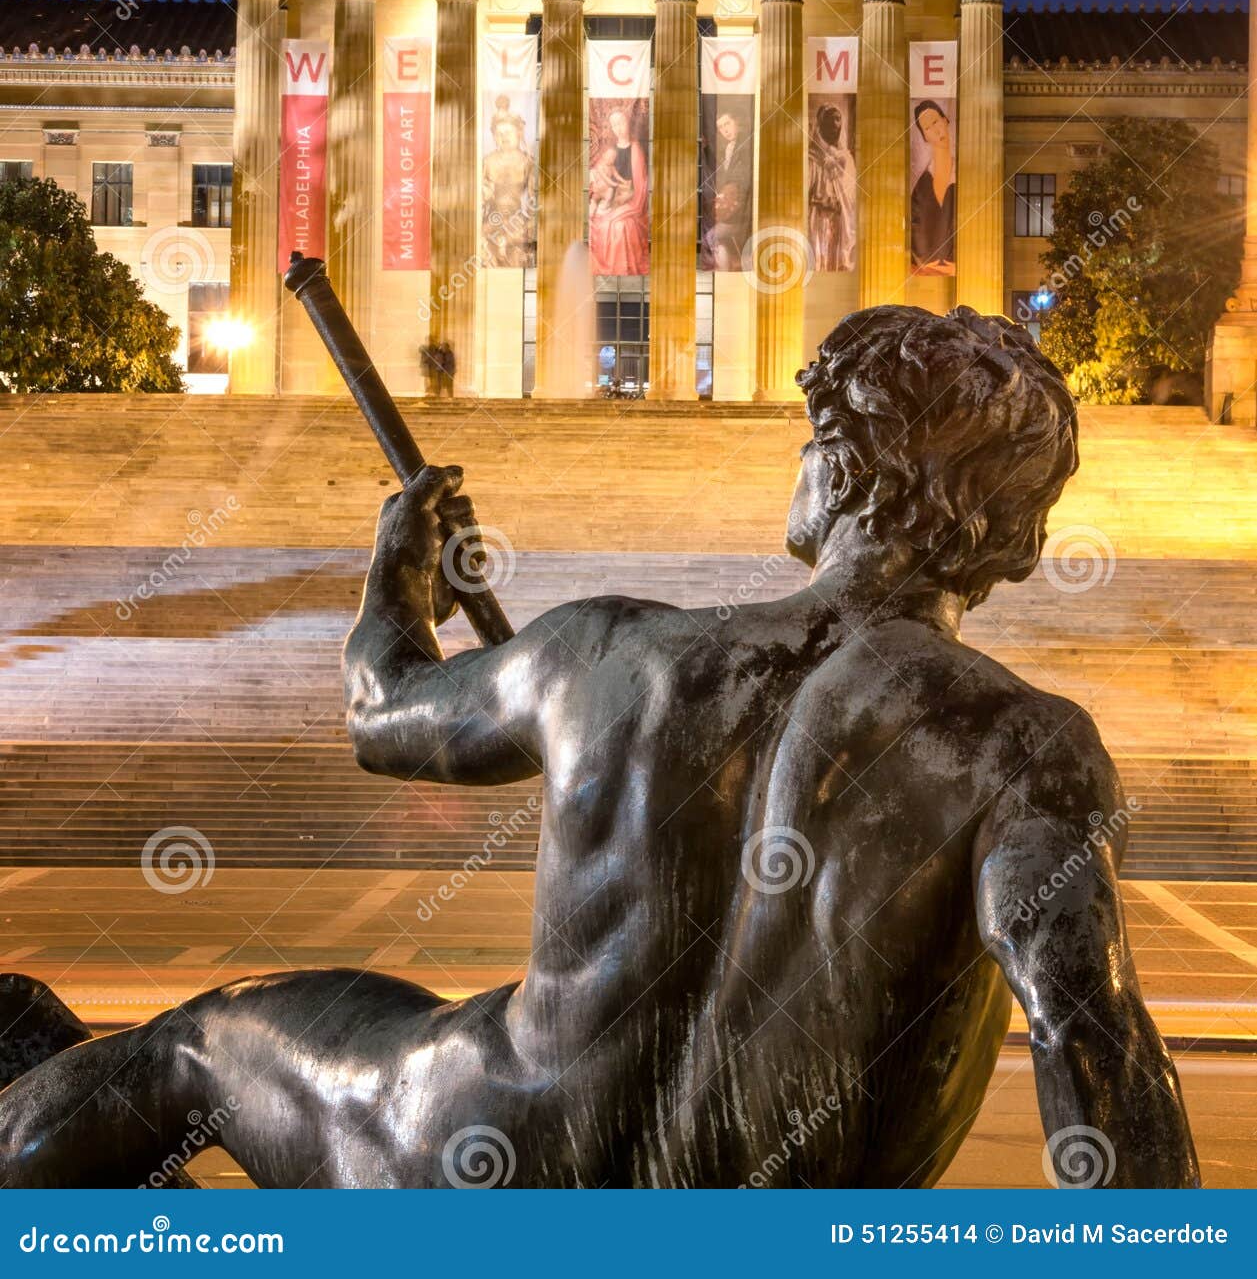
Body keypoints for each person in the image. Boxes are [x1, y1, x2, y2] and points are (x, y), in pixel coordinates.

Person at [0, 307, 1199, 1188]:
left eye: (808, 436)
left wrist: (396, 571)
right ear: (1016, 540)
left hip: (482, 1162)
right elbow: (1094, 1043)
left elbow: (382, 712)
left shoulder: (616, 650)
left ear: (840, 464)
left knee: (207, 1045)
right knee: (386, 1010)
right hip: (762, 1215)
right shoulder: (1027, 747)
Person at [588, 106, 649, 275]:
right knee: (599, 221)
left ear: (628, 123)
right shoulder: (610, 150)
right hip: (610, 198)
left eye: (621, 122)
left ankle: (621, 269)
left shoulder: (636, 149)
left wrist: (626, 195)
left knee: (617, 226)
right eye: (614, 124)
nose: (619, 128)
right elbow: (599, 174)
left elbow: (640, 185)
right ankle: (607, 269)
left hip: (631, 202)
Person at [482, 100, 535, 269]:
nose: (504, 137)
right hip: (493, 218)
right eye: (499, 133)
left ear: (518, 133)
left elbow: (534, 199)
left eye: (508, 132)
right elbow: (481, 196)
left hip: (517, 219)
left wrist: (529, 224)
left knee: (516, 248)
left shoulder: (527, 162)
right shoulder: (488, 161)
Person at [807, 101, 856, 272]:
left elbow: (851, 194)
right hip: (818, 219)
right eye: (830, 120)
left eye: (838, 120)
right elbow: (805, 192)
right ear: (821, 125)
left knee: (837, 261)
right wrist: (821, 201)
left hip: (839, 219)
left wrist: (841, 203)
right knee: (818, 260)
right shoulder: (811, 157)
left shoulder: (846, 158)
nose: (835, 125)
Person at [701, 109, 752, 270]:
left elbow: (742, 181)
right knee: (716, 241)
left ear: (736, 121)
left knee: (710, 238)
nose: (725, 130)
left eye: (727, 123)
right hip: (731, 209)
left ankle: (725, 272)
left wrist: (727, 197)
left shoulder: (746, 146)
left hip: (741, 213)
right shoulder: (728, 149)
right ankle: (725, 272)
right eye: (721, 127)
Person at [910, 99, 956, 273]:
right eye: (927, 128)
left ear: (945, 120)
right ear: (924, 137)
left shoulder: (964, 177)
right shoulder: (919, 191)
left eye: (936, 121)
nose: (936, 131)